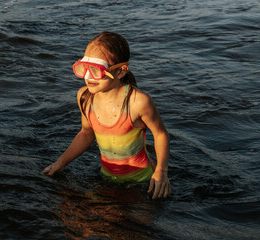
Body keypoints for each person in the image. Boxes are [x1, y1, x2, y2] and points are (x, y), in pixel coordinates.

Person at [43, 31, 170, 199]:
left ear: (120, 72)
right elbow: (86, 134)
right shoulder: (85, 97)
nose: (88, 77)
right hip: (107, 178)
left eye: (96, 70)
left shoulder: (138, 102)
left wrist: (161, 171)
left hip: (142, 183)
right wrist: (61, 162)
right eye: (83, 68)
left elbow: (160, 134)